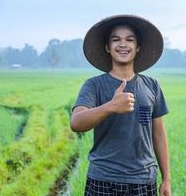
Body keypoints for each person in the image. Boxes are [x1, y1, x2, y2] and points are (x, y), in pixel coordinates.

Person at [70, 15, 171, 196]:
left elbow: (159, 134)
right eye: (116, 40)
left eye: (129, 40)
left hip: (144, 180)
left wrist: (166, 179)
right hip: (103, 179)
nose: (123, 44)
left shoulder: (152, 86)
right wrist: (110, 107)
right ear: (108, 48)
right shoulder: (94, 85)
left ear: (138, 47)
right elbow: (76, 123)